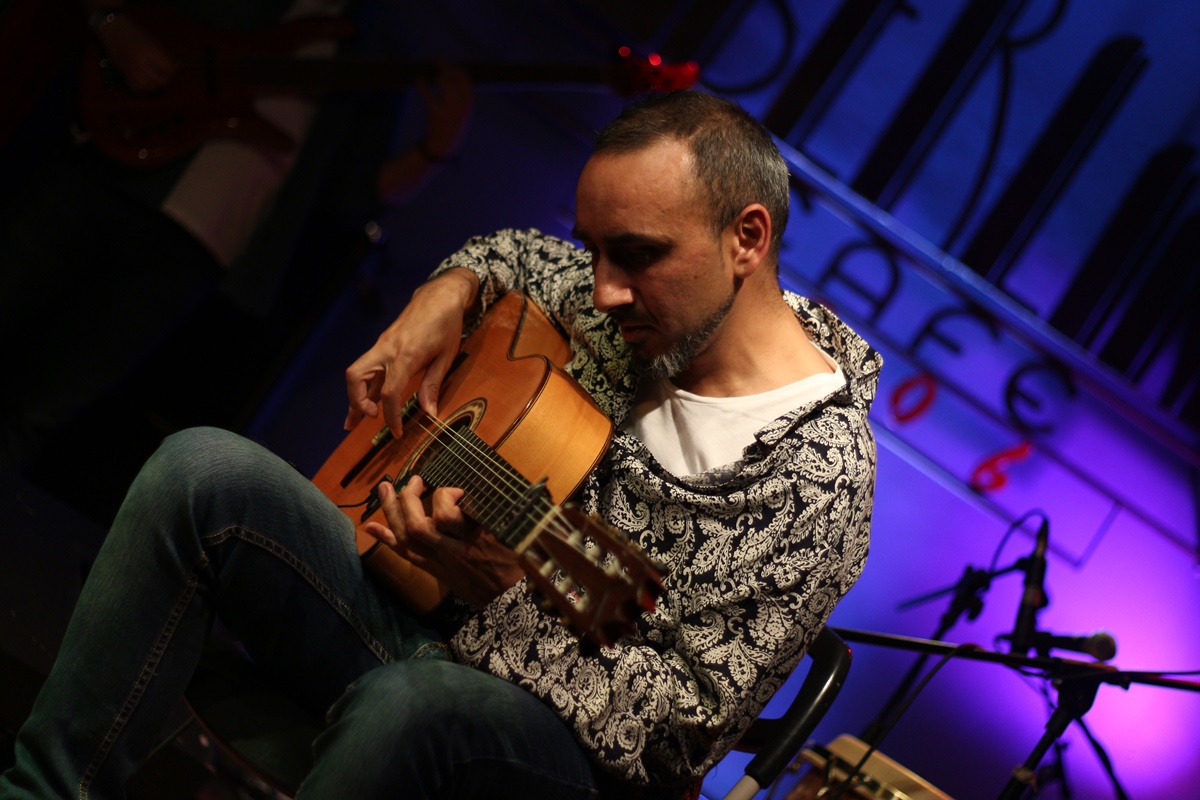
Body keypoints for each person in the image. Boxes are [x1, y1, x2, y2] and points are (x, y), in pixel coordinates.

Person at [0, 89, 881, 799]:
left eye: (638, 256)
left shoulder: (820, 473)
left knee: (412, 705)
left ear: (747, 237)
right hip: (425, 639)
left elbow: (680, 733)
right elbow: (514, 253)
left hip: (562, 756)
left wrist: (504, 595)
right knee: (200, 469)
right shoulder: (628, 310)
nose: (603, 291)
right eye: (594, 252)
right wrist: (447, 292)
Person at [0, 0, 473, 474]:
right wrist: (111, 23)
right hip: (106, 166)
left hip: (197, 248)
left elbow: (353, 194)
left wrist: (438, 147)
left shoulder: (379, 37)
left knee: (40, 411)